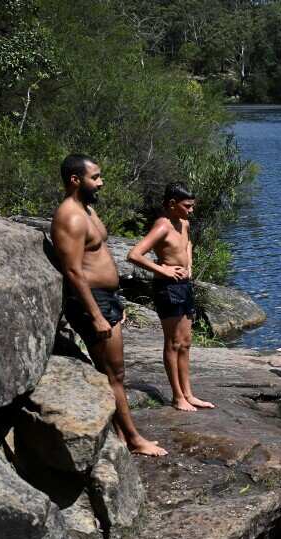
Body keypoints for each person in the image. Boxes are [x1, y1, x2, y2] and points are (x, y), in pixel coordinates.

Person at [50, 154, 166, 456]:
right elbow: (74, 271)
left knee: (114, 372)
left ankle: (119, 432)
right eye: (95, 177)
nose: (101, 183)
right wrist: (97, 314)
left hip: (108, 299)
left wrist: (117, 300)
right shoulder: (70, 217)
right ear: (76, 180)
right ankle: (133, 439)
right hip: (94, 303)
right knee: (113, 375)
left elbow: (97, 257)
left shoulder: (86, 209)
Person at [127, 183, 214, 412]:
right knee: (173, 342)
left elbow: (188, 244)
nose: (191, 210)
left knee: (186, 342)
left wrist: (190, 264)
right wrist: (163, 270)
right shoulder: (162, 226)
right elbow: (134, 254)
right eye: (187, 206)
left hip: (184, 285)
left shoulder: (183, 222)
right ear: (173, 204)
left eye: (192, 206)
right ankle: (177, 397)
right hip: (167, 287)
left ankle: (188, 394)